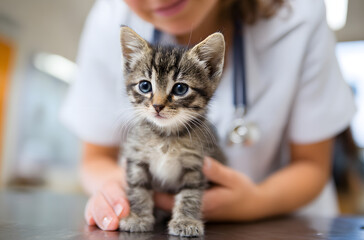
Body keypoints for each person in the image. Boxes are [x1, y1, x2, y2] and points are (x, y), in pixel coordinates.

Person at [61, 0, 356, 231]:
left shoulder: (300, 13)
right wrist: (119, 192)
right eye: (148, 87)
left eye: (176, 89)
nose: (159, 103)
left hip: (291, 223)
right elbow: (94, 158)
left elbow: (313, 165)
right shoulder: (109, 16)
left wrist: (253, 203)